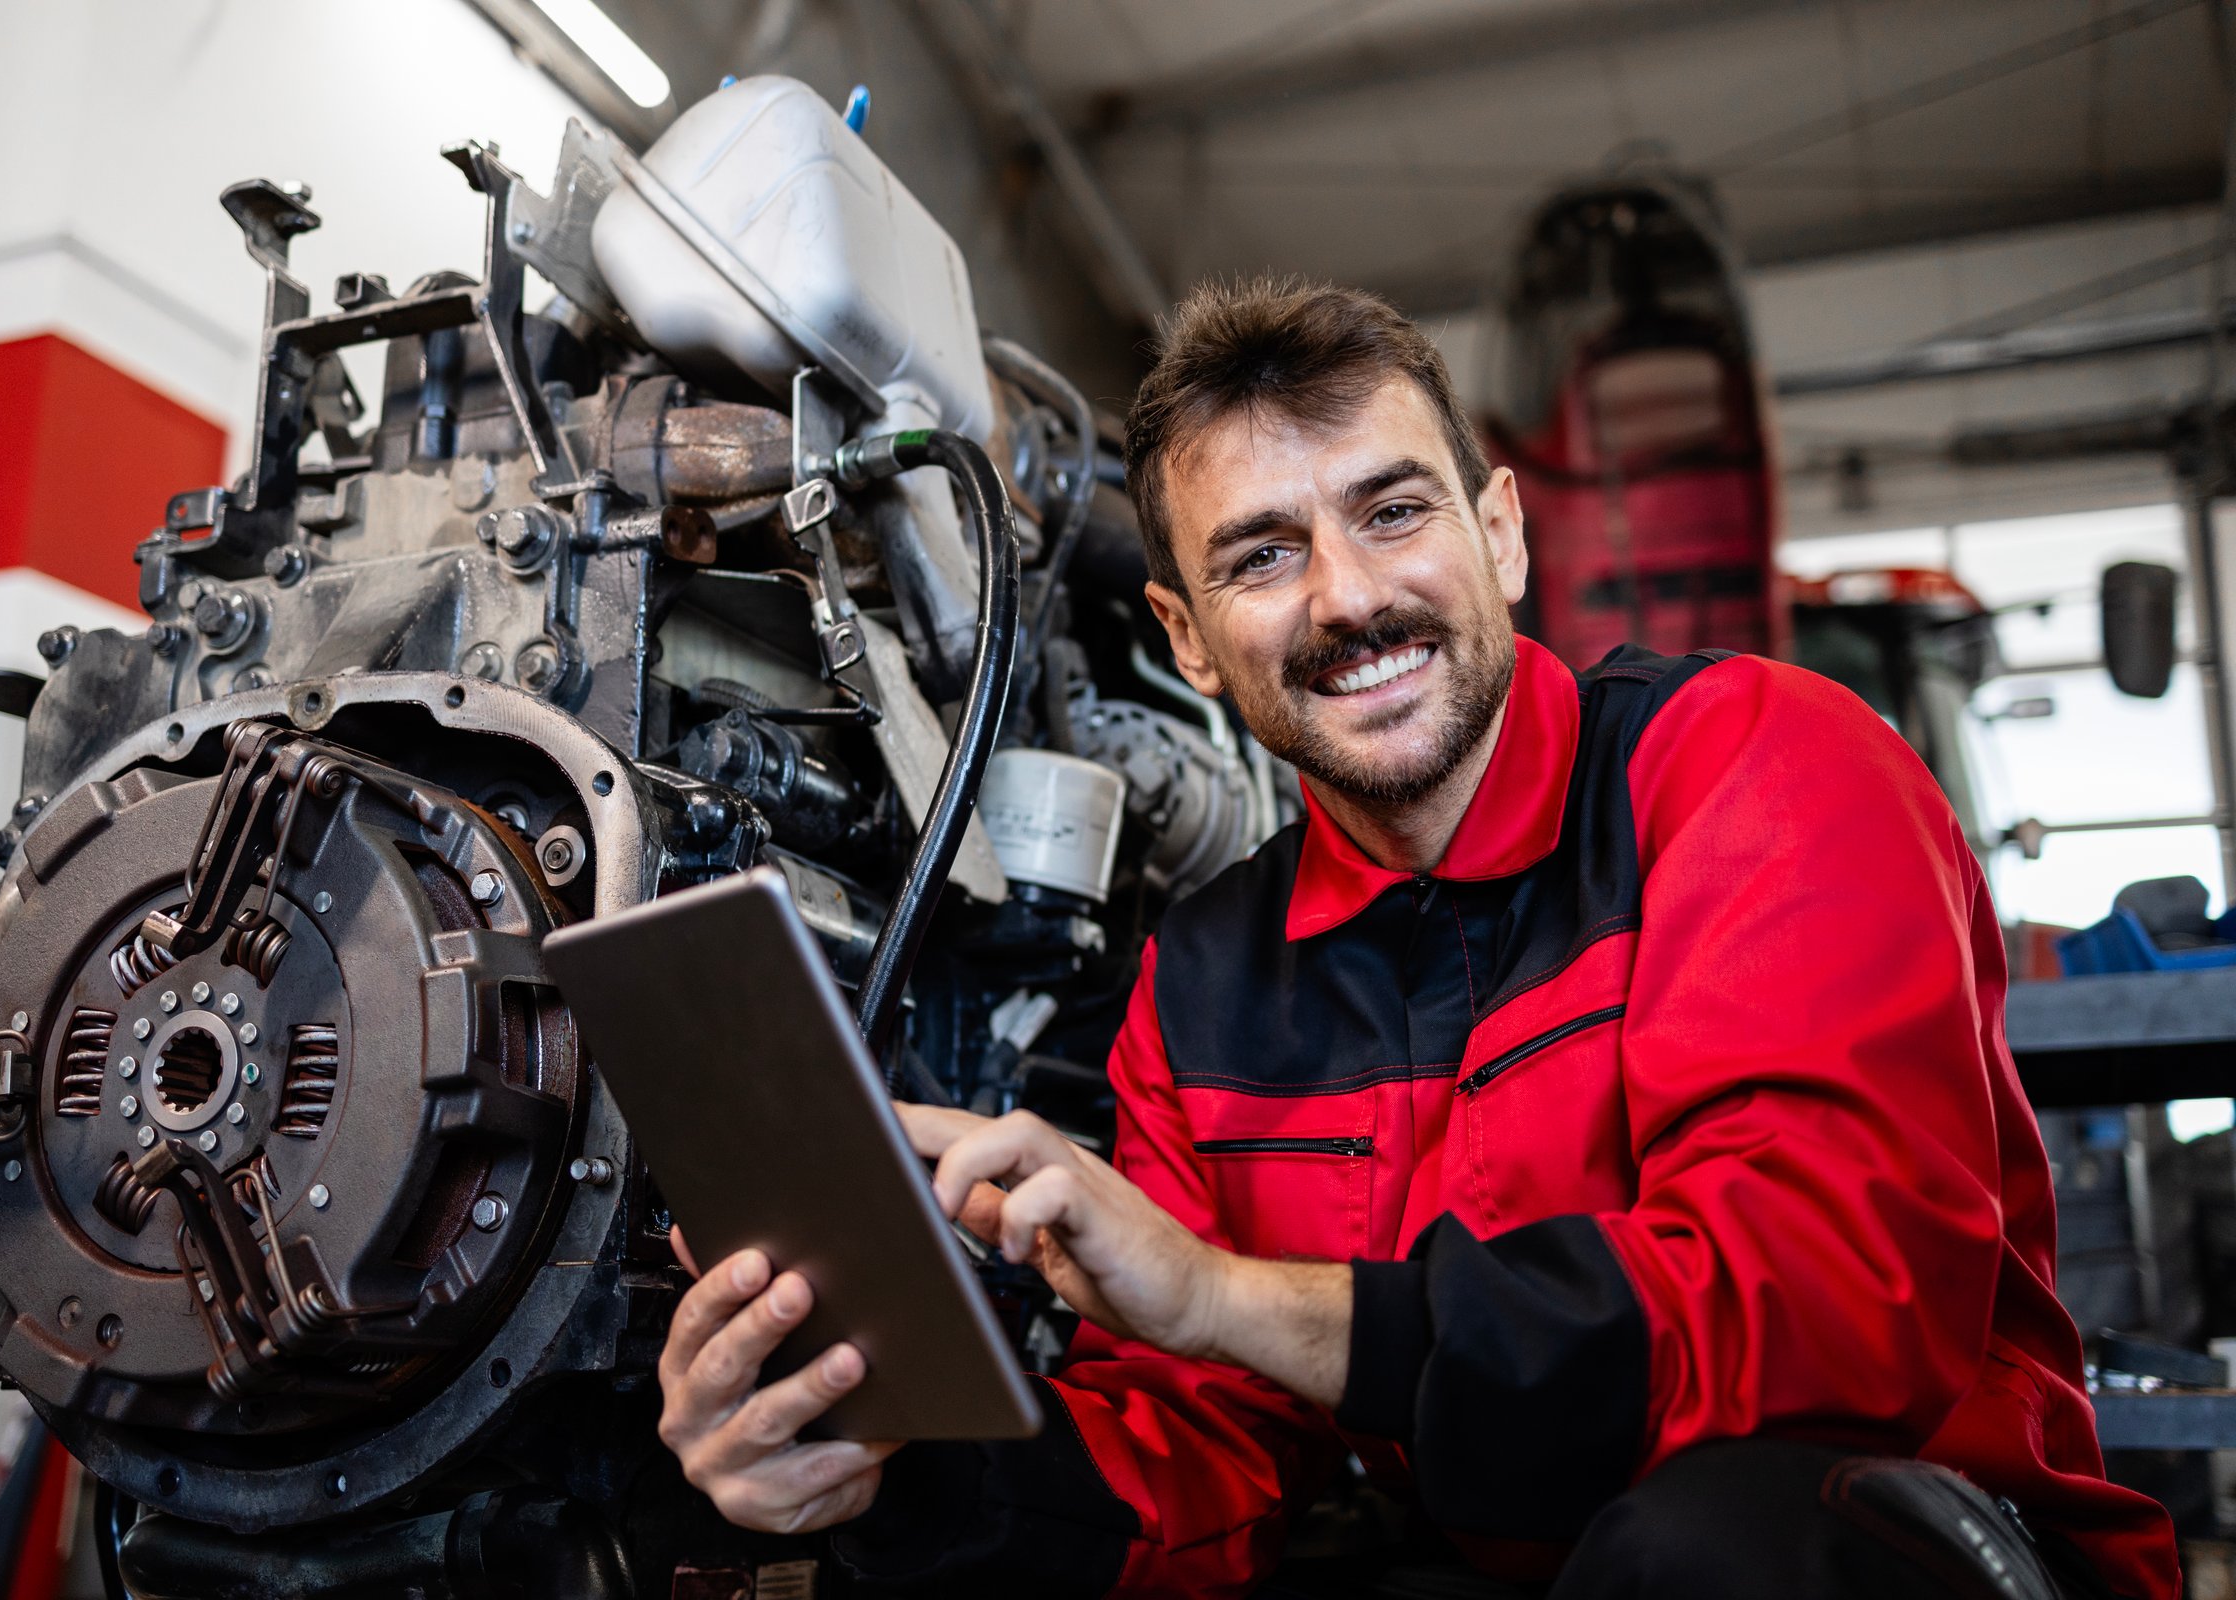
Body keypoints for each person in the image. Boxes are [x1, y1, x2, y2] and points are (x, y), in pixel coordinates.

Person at [650, 279, 2180, 1598]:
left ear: (1502, 534)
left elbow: (1820, 1320)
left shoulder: (1760, 770)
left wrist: (1225, 1293)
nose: (1350, 595)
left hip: (1894, 1542)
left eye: (1392, 511)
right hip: (1497, 1554)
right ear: (1185, 639)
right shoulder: (1202, 986)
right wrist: (878, 1466)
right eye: (1259, 555)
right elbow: (1207, 1452)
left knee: (1702, 1550)